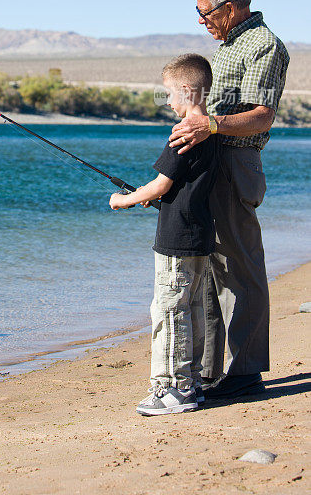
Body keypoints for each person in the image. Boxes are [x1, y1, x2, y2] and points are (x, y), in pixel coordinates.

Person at [169, 0, 289, 400]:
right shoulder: (230, 45)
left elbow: (262, 114)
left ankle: (246, 373)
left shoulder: (263, 45)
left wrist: (211, 125)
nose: (201, 21)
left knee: (240, 269)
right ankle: (211, 370)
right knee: (211, 268)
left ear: (232, 8)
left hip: (236, 163)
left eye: (205, 14)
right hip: (211, 159)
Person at [110, 54, 219, 416]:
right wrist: (154, 194)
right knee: (190, 310)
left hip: (178, 239)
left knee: (170, 310)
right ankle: (194, 384)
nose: (168, 101)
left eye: (169, 94)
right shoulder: (211, 133)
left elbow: (161, 184)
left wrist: (124, 199)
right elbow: (175, 185)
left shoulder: (183, 132)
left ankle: (174, 390)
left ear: (187, 91)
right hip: (200, 235)